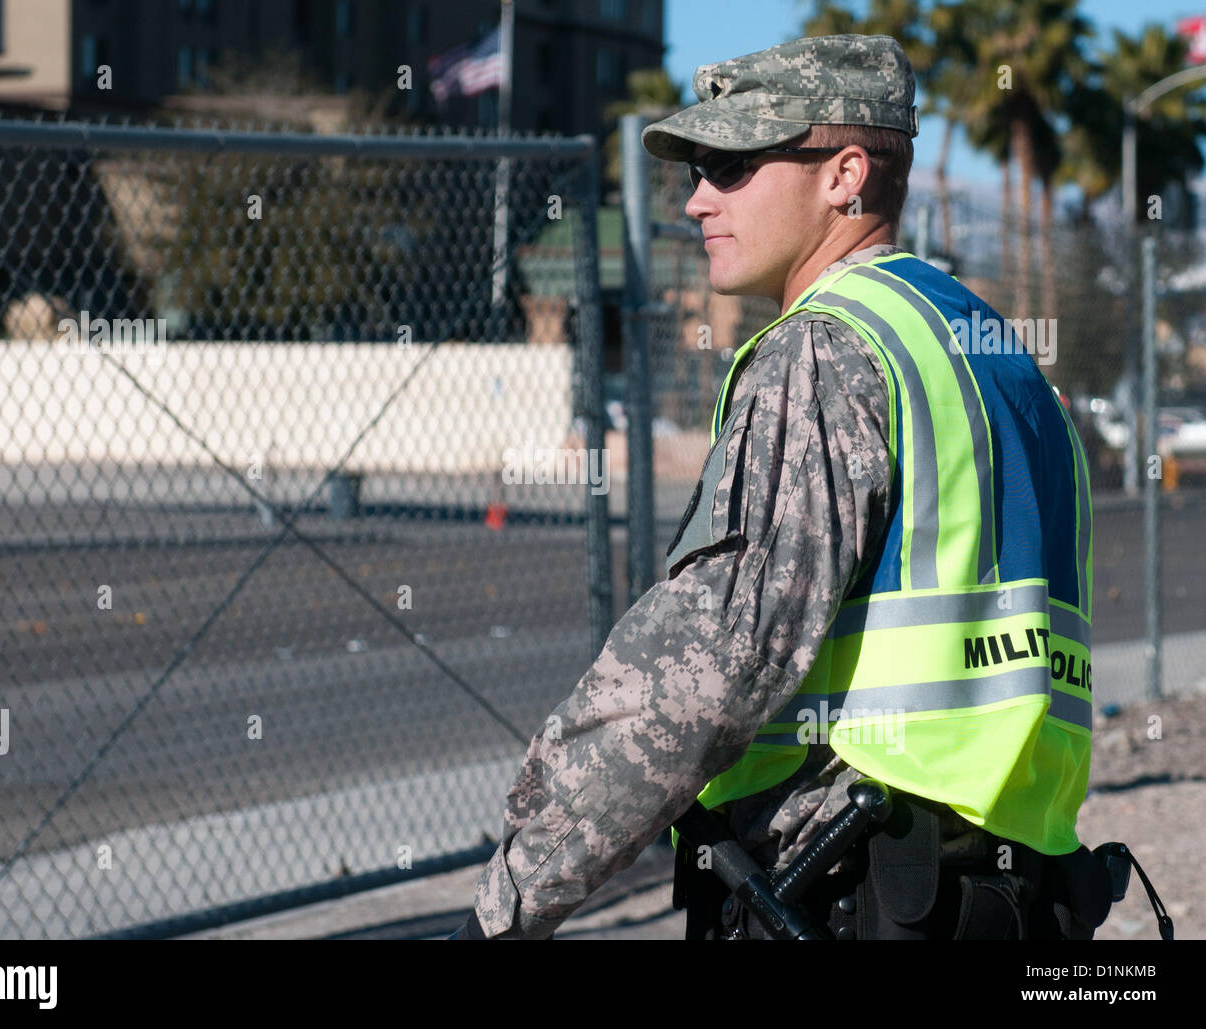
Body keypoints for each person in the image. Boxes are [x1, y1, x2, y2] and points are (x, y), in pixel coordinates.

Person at [449, 33, 1100, 941]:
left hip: (843, 888)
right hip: (1012, 895)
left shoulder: (827, 351)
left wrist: (512, 900)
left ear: (844, 174)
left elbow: (706, 666)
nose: (696, 199)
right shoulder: (992, 355)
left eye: (731, 164)